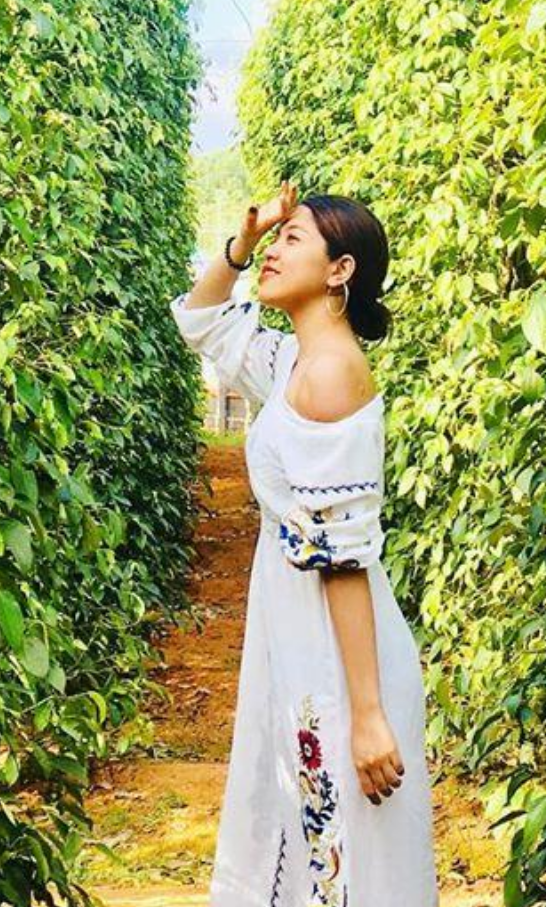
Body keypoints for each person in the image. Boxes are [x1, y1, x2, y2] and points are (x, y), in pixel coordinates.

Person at [170, 180, 437, 906]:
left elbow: (341, 558)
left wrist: (368, 713)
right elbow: (202, 321)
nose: (274, 252)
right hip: (299, 636)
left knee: (340, 854)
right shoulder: (293, 362)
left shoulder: (329, 377)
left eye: (294, 240)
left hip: (335, 654)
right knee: (309, 839)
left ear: (340, 269)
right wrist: (246, 238)